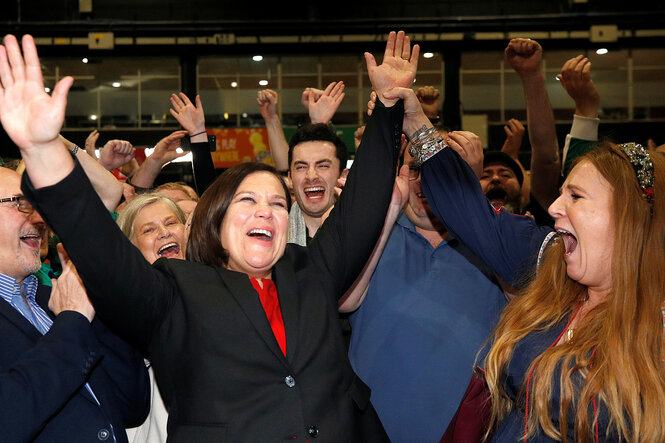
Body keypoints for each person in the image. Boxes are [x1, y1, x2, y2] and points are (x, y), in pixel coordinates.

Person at [5, 31, 418, 441]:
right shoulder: (176, 291)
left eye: (277, 203)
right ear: (216, 223)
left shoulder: (311, 268)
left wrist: (385, 106)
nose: (266, 211)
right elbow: (98, 243)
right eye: (248, 201)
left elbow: (363, 204)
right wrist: (42, 150)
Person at [394, 83, 665, 440]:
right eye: (560, 193)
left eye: (576, 196)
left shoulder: (656, 326)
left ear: (627, 217)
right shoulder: (552, 261)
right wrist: (416, 125)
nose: (553, 208)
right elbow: (470, 214)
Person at [0, 167, 149, 442]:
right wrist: (73, 319)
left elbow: (131, 406)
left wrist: (94, 295)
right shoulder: (66, 313)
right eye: (21, 204)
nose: (39, 218)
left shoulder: (51, 300)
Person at [117, 193, 187, 443]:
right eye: (149, 229)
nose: (164, 233)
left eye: (171, 223)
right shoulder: (121, 305)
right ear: (130, 247)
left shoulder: (220, 285)